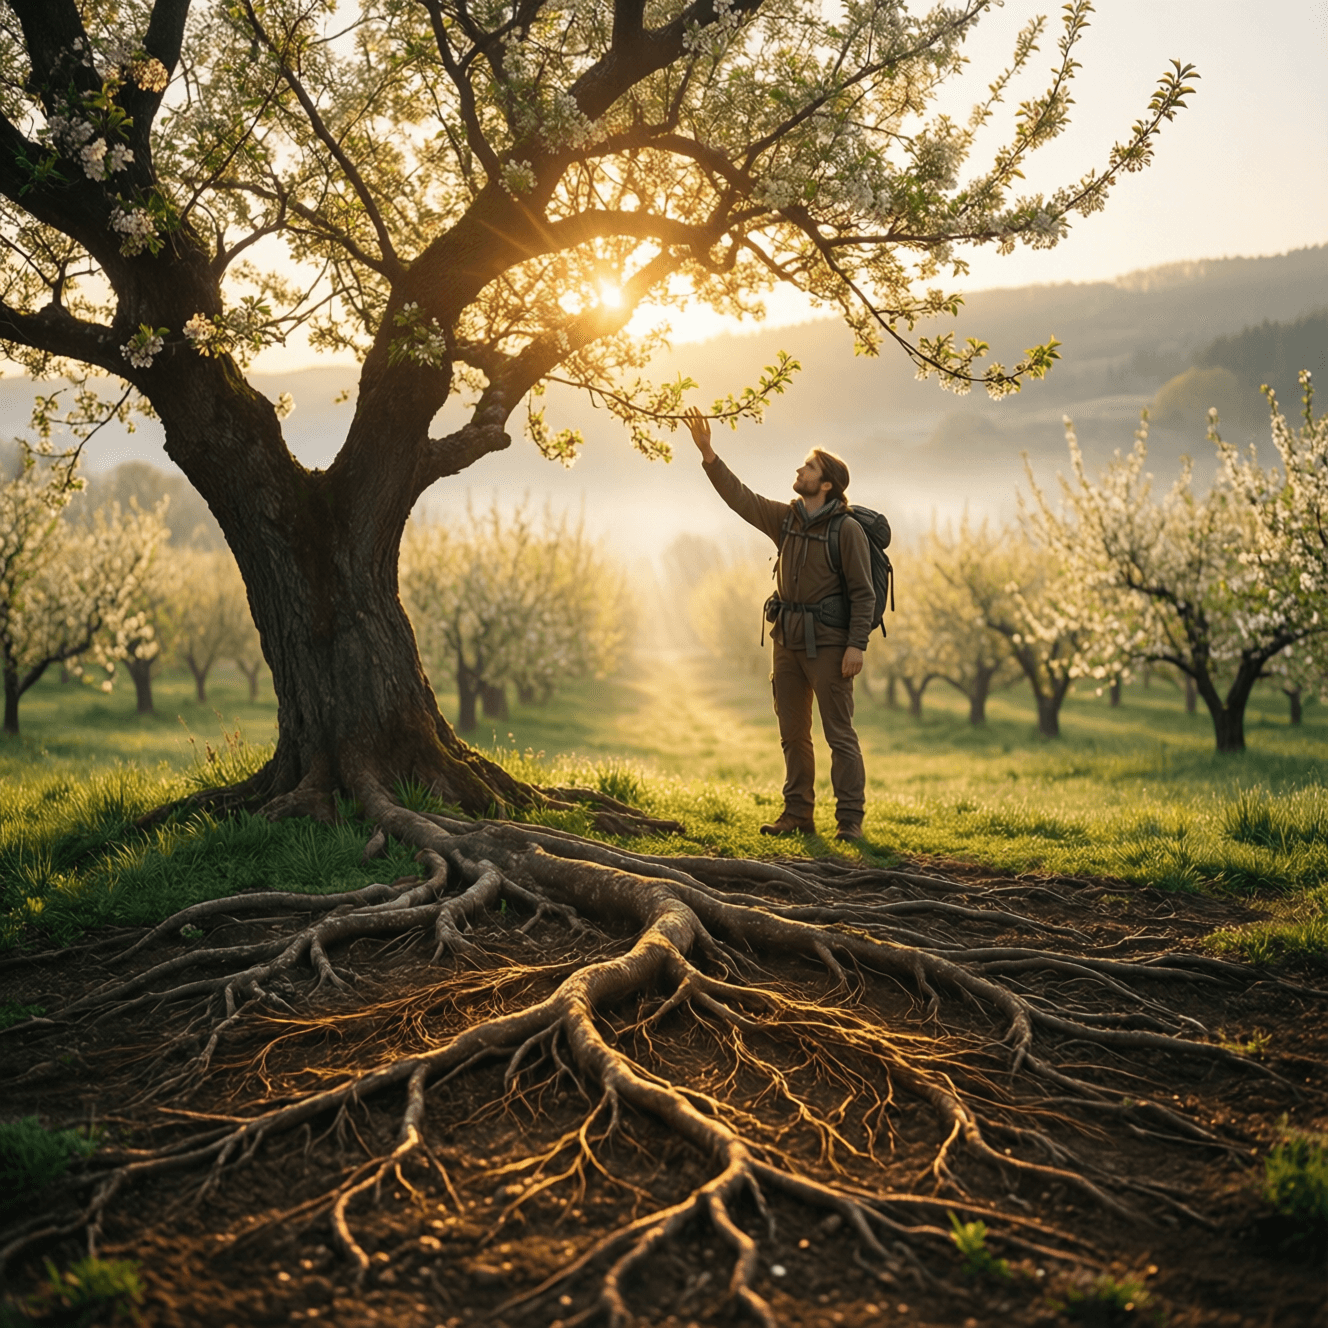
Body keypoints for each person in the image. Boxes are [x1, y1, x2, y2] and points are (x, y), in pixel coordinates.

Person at [684, 406, 873, 842]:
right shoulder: (786, 519)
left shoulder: (846, 530)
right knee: (792, 734)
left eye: (809, 467)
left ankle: (850, 821)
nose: (799, 471)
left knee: (839, 735)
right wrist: (709, 454)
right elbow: (742, 498)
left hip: (830, 645)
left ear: (826, 484)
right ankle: (798, 814)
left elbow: (863, 593)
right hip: (786, 641)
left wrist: (856, 645)